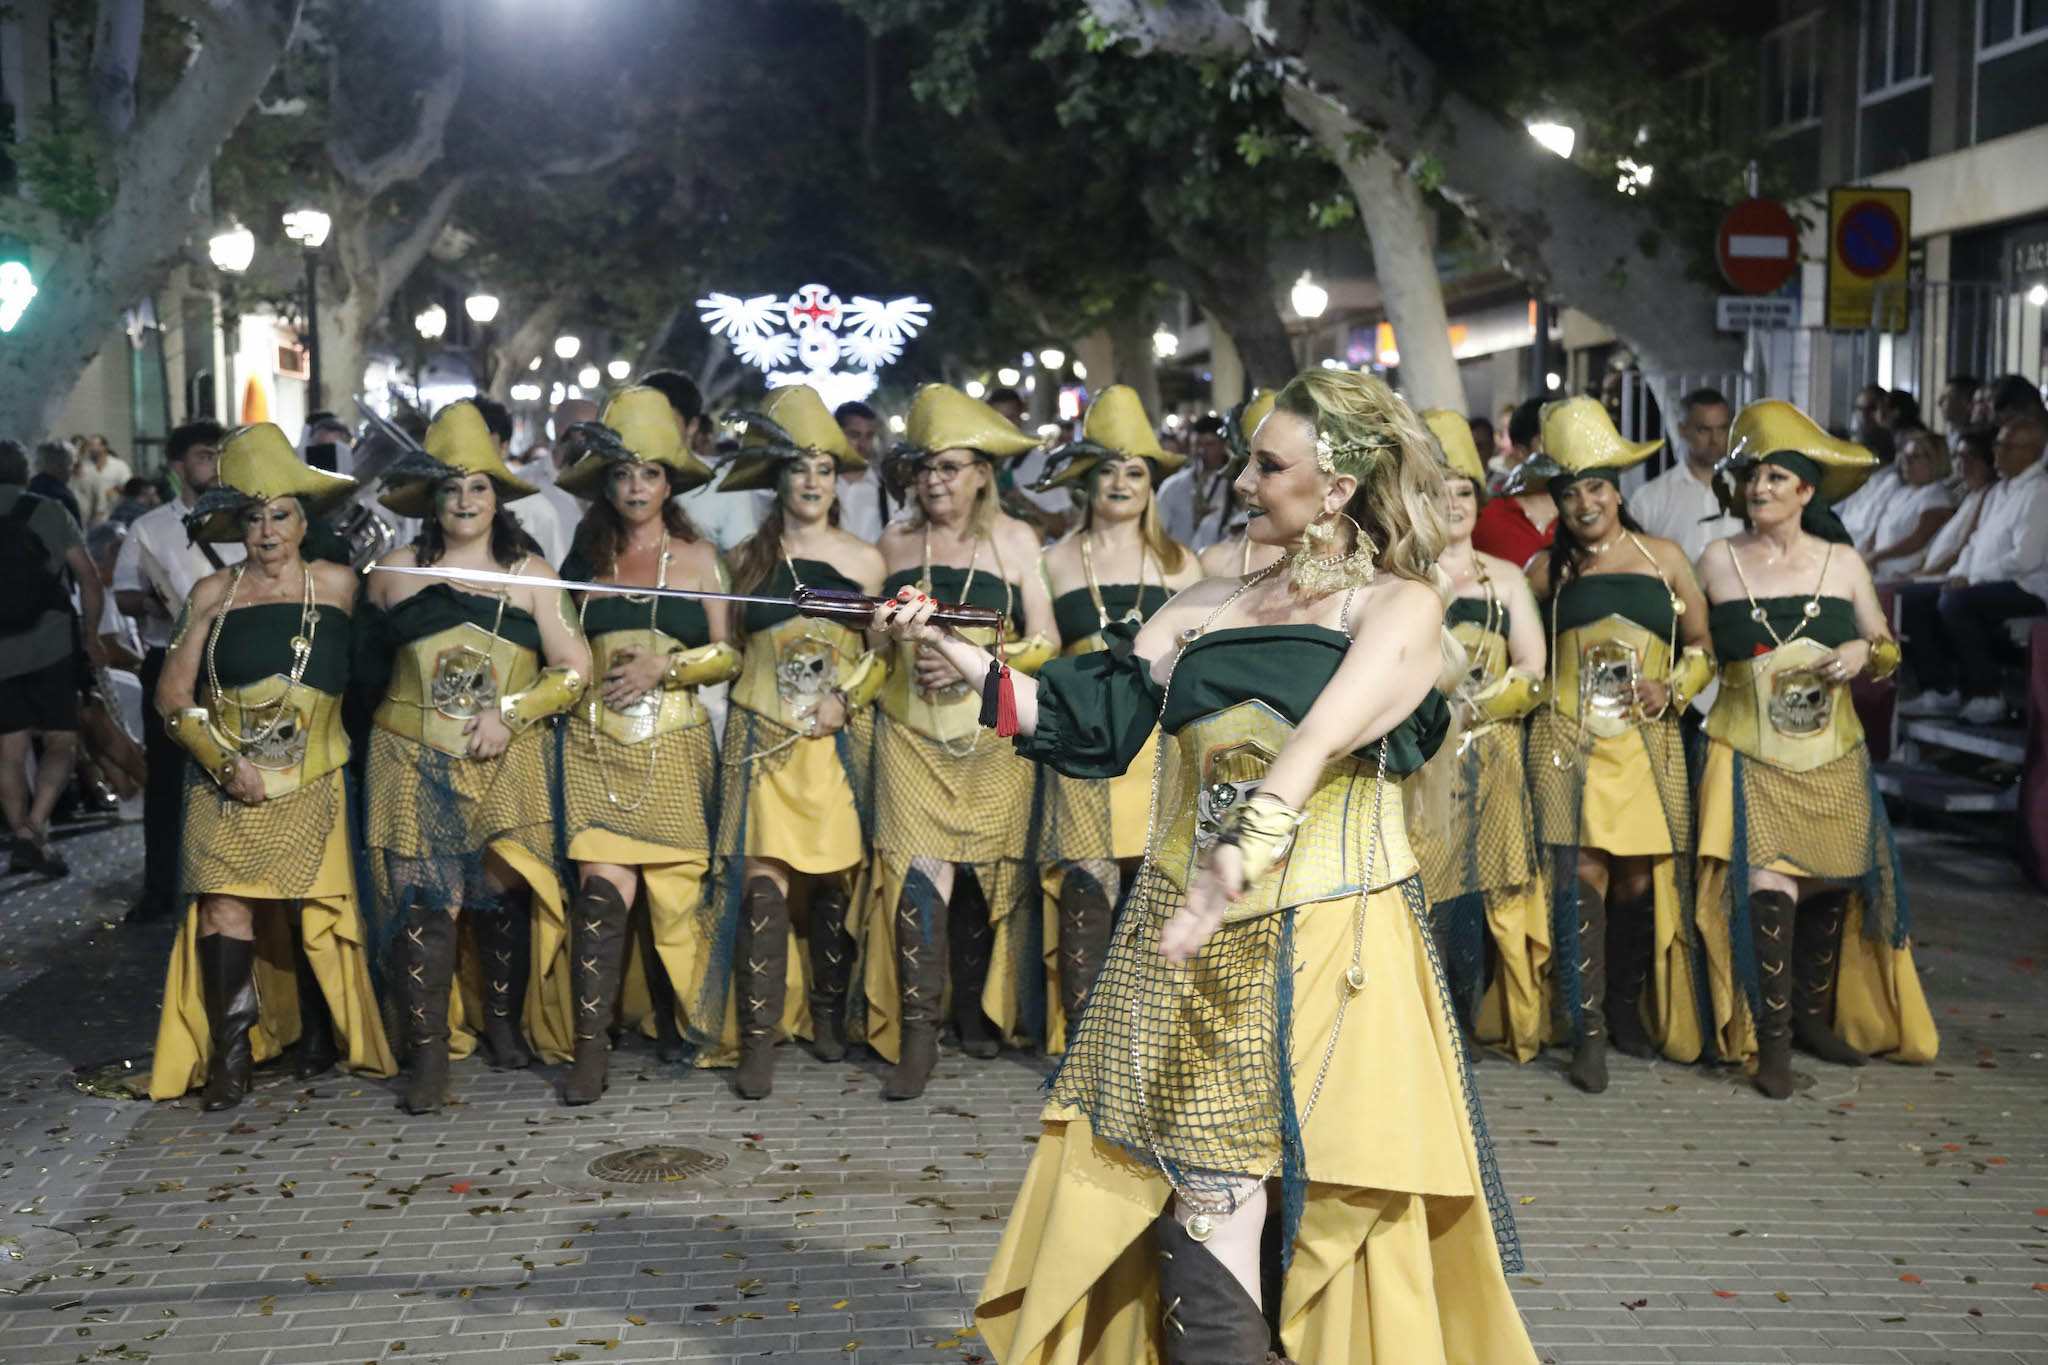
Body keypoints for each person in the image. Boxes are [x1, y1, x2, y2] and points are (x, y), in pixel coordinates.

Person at [875, 368, 1534, 1364]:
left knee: (1330, 1194)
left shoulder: (1396, 605)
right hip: (1185, 939)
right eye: (1245, 459)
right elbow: (1082, 717)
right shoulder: (1203, 605)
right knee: (1205, 1184)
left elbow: (1314, 745)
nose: (1240, 481)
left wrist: (1229, 867)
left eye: (1267, 466)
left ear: (1341, 485)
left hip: (1327, 936)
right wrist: (961, 659)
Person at [145, 424, 396, 1107]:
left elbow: (388, 650)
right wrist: (224, 764)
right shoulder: (210, 593)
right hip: (224, 781)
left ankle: (320, 1030)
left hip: (314, 774)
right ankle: (232, 1058)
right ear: (237, 525)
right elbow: (172, 695)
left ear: (302, 520)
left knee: (309, 908)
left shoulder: (342, 585)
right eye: (252, 517)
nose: (266, 531)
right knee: (225, 906)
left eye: (279, 514)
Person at [1693, 400, 1939, 1098]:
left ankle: (1809, 1015)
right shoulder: (1715, 559)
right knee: (1767, 882)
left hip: (1832, 751)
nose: (1760, 488)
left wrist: (1865, 649)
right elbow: (1695, 648)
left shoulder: (1842, 561)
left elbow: (1889, 648)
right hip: (1748, 746)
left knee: (1832, 874)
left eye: (1776, 477)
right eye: (1752, 477)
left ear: (1806, 490)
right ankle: (1773, 1040)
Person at [362, 400, 591, 1113]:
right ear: (431, 498)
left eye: (479, 486)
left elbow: (574, 667)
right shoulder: (392, 570)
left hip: (506, 756)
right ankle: (428, 1057)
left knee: (501, 893)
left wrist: (512, 713)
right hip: (408, 755)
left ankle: (501, 1023)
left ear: (500, 497)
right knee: (426, 904)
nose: (465, 500)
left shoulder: (533, 571)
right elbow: (361, 671)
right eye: (452, 487)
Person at [864, 384, 1056, 1100]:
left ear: (982, 472)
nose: (935, 480)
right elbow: (871, 636)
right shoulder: (894, 539)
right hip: (910, 726)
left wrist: (975, 656)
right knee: (921, 873)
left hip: (988, 732)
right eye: (924, 468)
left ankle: (978, 1010)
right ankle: (919, 1036)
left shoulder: (1016, 540)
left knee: (987, 872)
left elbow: (1047, 639)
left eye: (949, 466)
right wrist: (884, 631)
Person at [1524, 397, 1715, 1093]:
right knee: (1583, 874)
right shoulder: (1546, 572)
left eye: (1595, 488)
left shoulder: (1664, 556)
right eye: (1569, 493)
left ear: (1617, 490)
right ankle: (1590, 1031)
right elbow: (1526, 655)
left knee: (1639, 880)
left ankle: (1629, 1008)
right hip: (1569, 740)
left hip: (1646, 739)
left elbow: (1702, 644)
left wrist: (1677, 687)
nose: (1583, 504)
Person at [551, 386, 733, 1105]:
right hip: (595, 749)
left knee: (677, 902)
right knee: (600, 897)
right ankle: (589, 1054)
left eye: (650, 472)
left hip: (677, 749)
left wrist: (668, 664)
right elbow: (563, 652)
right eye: (624, 473)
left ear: (670, 481)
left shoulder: (700, 558)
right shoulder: (583, 558)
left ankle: (692, 1026)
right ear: (606, 482)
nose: (636, 485)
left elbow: (730, 653)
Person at [706, 386, 887, 1098]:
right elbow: (725, 652)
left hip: (833, 741)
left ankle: (828, 1016)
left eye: (823, 468)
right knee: (762, 889)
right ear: (774, 478)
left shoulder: (866, 561)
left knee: (835, 881)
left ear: (838, 480)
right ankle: (758, 1040)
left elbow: (883, 655)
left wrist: (847, 698)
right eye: (797, 467)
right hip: (759, 737)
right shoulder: (740, 561)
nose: (810, 481)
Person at [1032, 386, 1201, 1051]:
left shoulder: (1181, 562)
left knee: (1156, 880)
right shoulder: (1053, 561)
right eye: (1108, 470)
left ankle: (1150, 1038)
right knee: (1086, 877)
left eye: (1136, 471)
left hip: (1160, 740)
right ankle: (1084, 1043)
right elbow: (1042, 653)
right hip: (1081, 739)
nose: (1122, 482)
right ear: (1086, 481)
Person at [1412, 409, 1551, 1064]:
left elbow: (1533, 668)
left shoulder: (1508, 576)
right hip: (1422, 758)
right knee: (1425, 884)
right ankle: (1424, 1022)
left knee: (1484, 889)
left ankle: (1474, 1020)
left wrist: (1479, 702)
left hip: (1493, 754)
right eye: (1438, 490)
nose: (1453, 502)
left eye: (1464, 489)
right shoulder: (1400, 576)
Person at [115, 420, 237, 920]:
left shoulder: (243, 517)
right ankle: (160, 887)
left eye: (220, 456)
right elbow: (123, 592)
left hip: (232, 657)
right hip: (170, 657)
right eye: (206, 455)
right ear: (178, 466)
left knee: (234, 767)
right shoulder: (150, 527)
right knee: (166, 778)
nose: (215, 465)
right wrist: (152, 602)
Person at [1895, 414, 2048, 724]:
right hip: (1982, 580)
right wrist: (1957, 575)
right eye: (1998, 444)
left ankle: (1987, 695)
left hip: (2026, 585)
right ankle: (1940, 689)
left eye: (2007, 446)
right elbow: (1975, 543)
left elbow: (2025, 559)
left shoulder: (2040, 491)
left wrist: (1971, 579)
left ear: (2034, 450)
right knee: (1909, 599)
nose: (1998, 452)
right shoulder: (2000, 490)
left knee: (1957, 603)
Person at [0, 440, 103, 876]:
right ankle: (34, 828)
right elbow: (89, 579)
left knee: (8, 751)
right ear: (26, 473)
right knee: (61, 741)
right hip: (52, 644)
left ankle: (24, 835)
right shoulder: (48, 511)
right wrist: (92, 635)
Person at [641, 369, 758, 550]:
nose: (655, 430)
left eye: (665, 421)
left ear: (692, 426)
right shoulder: (619, 478)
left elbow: (741, 564)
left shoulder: (723, 486)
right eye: (646, 420)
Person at [1629, 387, 1742, 564]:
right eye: (1704, 430)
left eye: (1722, 429)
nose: (1715, 440)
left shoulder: (1745, 492)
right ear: (1682, 430)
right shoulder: (1650, 497)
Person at [463, 396, 567, 564]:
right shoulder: (435, 504)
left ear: (504, 447)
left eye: (479, 437)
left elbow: (554, 580)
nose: (467, 448)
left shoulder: (537, 510)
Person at [1195, 390, 1287, 579]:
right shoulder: (1216, 561)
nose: (1241, 483)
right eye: (1243, 466)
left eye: (1269, 467)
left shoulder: (1356, 570)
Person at [1863, 428, 1956, 582]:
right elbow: (1878, 529)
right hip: (1877, 569)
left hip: (1902, 574)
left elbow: (1918, 539)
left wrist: (1877, 556)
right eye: (1905, 456)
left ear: (1934, 460)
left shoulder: (1936, 495)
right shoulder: (1901, 493)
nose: (1906, 462)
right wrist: (1869, 554)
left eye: (1914, 457)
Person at [1472, 397, 1556, 566]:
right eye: (1553, 441)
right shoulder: (1485, 519)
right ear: (1521, 453)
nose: (1564, 451)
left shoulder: (1584, 512)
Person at [1917, 428, 1997, 580]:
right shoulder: (1969, 495)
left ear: (1988, 460)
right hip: (1933, 573)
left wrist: (1918, 576)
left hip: (1949, 577)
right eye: (1958, 456)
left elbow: (1960, 550)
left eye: (1971, 456)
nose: (1963, 463)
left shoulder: (1986, 494)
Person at [1155, 413, 1234, 550]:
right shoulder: (1172, 486)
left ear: (1224, 446)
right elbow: (1156, 531)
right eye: (1197, 444)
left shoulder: (1236, 486)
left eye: (1209, 444)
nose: (1202, 450)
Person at [832, 399, 892, 542]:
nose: (862, 444)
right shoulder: (820, 488)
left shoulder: (888, 493)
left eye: (869, 436)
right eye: (854, 435)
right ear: (836, 434)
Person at [70, 434, 132, 528]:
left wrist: (115, 490)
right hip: (88, 517)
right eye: (89, 446)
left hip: (113, 512)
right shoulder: (86, 468)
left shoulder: (118, 465)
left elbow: (129, 487)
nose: (91, 448)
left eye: (93, 445)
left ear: (104, 447)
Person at [30, 440, 84, 526]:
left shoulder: (26, 488)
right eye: (71, 465)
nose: (71, 471)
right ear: (61, 465)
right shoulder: (64, 497)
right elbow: (75, 536)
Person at [1940, 375, 1980, 445]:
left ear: (1964, 400)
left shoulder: (1979, 441)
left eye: (1947, 397)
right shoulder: (1950, 439)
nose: (1940, 402)